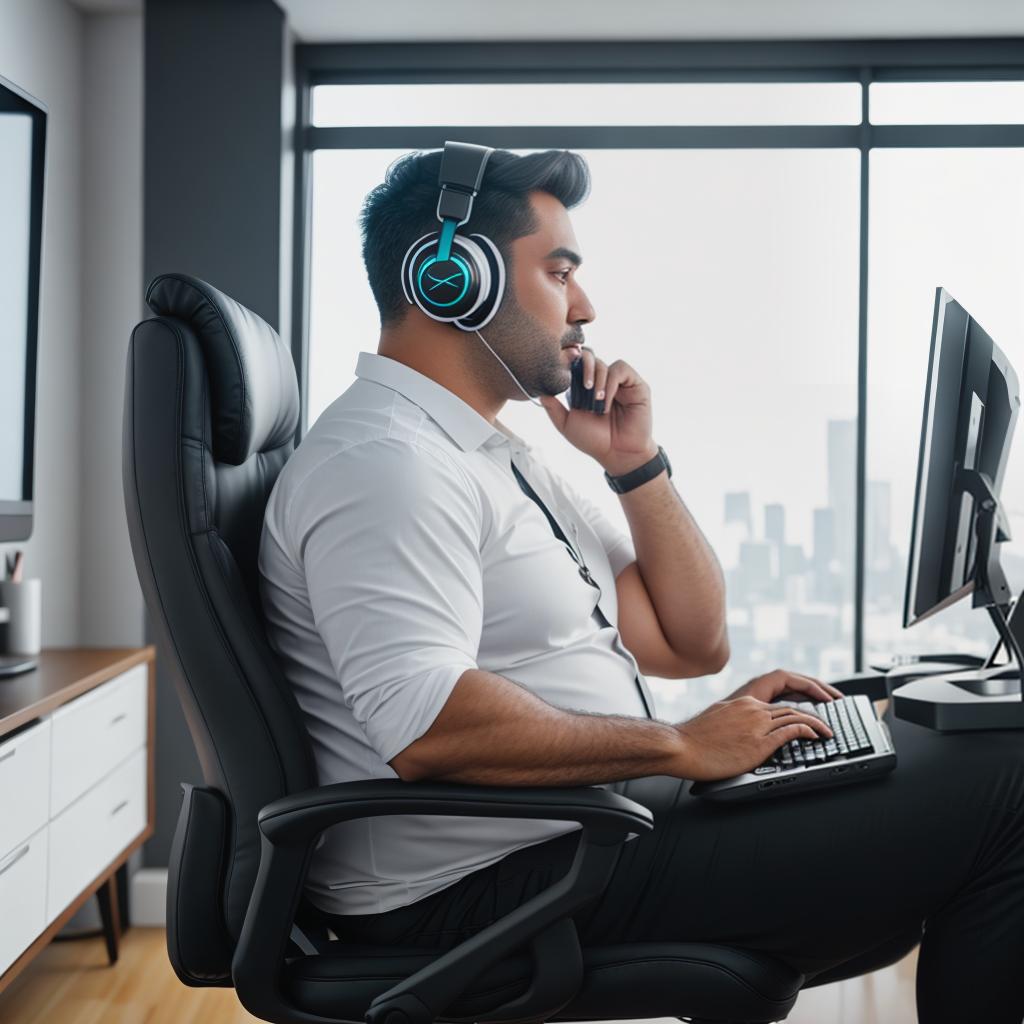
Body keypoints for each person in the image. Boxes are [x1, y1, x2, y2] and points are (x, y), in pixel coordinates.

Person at [258, 147, 1024, 1023]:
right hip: (485, 889)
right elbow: (424, 725)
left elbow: (690, 641)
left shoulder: (488, 456)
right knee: (1010, 784)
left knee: (974, 761)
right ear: (447, 277)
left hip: (586, 832)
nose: (585, 308)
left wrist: (634, 465)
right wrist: (677, 747)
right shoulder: (384, 464)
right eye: (559, 270)